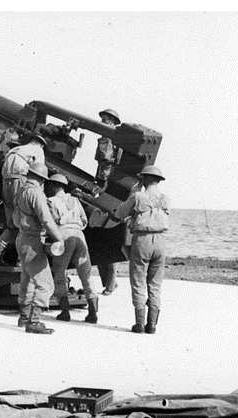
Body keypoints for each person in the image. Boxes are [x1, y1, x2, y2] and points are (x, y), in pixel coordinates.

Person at [114, 165, 170, 334]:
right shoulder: (165, 198)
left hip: (142, 240)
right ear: (159, 180)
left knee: (138, 281)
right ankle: (152, 325)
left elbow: (120, 213)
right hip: (161, 241)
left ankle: (139, 324)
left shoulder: (138, 196)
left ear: (144, 179)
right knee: (155, 284)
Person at [15, 161, 64, 334]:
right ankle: (34, 321)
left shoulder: (21, 191)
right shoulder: (36, 193)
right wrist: (59, 238)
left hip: (22, 238)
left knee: (27, 279)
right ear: (42, 179)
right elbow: (46, 219)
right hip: (33, 241)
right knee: (46, 284)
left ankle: (23, 316)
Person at [46, 173, 100, 324]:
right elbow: (84, 221)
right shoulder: (75, 200)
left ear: (53, 186)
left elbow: (49, 222)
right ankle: (92, 313)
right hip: (79, 235)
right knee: (86, 274)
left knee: (59, 273)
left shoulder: (50, 201)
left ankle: (65, 312)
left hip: (63, 235)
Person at [0, 133, 49, 265]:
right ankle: (20, 260)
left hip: (6, 183)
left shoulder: (14, 150)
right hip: (20, 181)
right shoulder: (38, 150)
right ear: (42, 144)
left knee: (11, 225)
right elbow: (39, 174)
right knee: (23, 222)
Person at [95, 109, 123, 295]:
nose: (103, 122)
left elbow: (109, 162)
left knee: (108, 241)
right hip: (102, 183)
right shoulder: (106, 138)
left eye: (106, 120)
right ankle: (108, 283)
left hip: (108, 186)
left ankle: (110, 284)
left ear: (113, 121)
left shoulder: (113, 139)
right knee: (100, 239)